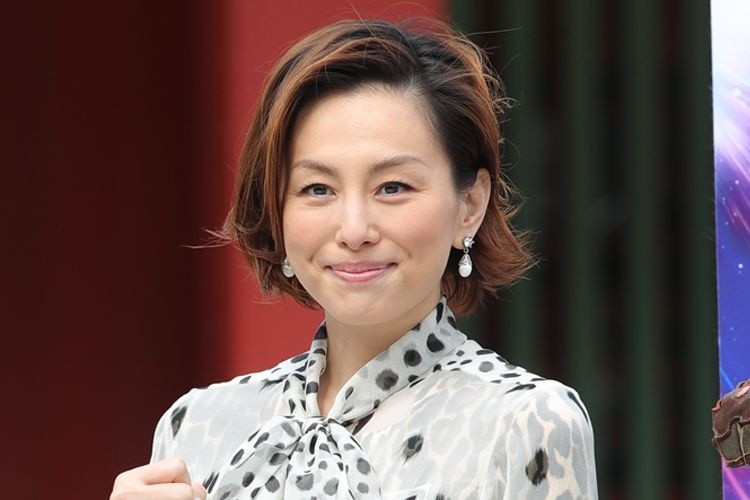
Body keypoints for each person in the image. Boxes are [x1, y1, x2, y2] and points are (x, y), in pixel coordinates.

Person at [110, 18, 598, 500]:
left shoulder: (525, 423)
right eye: (317, 189)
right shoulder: (198, 424)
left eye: (393, 187)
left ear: (469, 205)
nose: (354, 231)